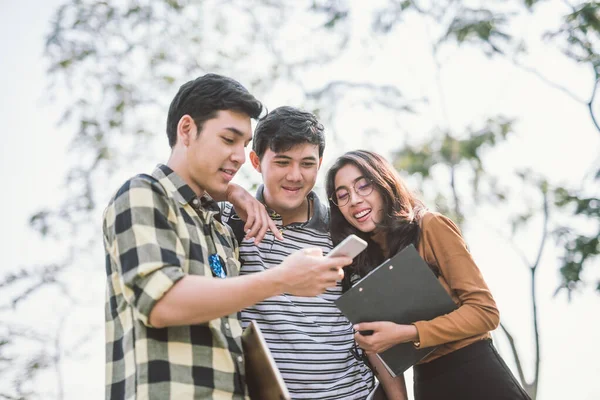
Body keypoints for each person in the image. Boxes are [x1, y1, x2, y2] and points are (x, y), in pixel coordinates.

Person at [102, 74, 351, 400]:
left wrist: (230, 193)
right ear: (187, 130)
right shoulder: (143, 194)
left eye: (243, 144)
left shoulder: (219, 226)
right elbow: (162, 302)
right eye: (228, 139)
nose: (237, 155)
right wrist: (282, 279)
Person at [325, 150, 532, 400]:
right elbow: (377, 347)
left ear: (383, 184)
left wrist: (408, 332)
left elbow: (486, 312)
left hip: (478, 374)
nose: (355, 200)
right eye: (343, 195)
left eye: (363, 186)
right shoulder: (359, 263)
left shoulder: (430, 226)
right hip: (426, 383)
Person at [221, 107, 374, 399]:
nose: (295, 175)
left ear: (319, 164)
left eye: (307, 163)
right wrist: (233, 192)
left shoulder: (342, 227)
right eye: (282, 162)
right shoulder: (230, 221)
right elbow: (184, 181)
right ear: (256, 161)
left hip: (352, 393)